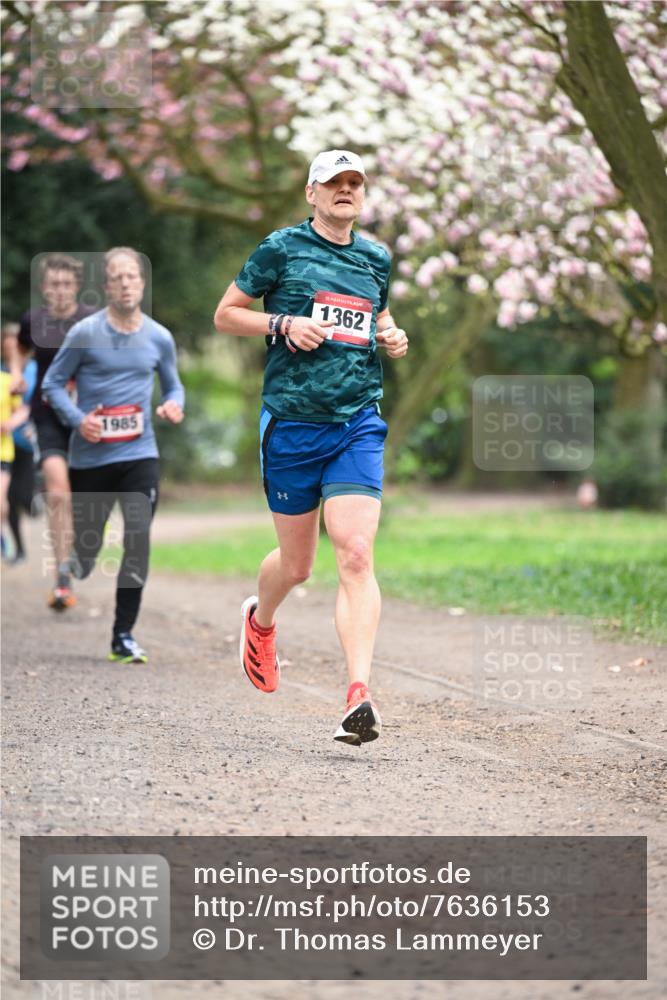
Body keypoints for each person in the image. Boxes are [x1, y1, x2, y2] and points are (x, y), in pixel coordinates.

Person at [214, 149, 409, 746]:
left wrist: (390, 333)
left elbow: (376, 313)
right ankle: (261, 619)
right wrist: (283, 324)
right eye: (333, 183)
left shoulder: (376, 258)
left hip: (357, 421)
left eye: (354, 183)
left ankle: (358, 695)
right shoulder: (281, 249)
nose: (345, 190)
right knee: (297, 566)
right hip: (293, 425)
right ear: (312, 193)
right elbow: (226, 315)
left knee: (356, 554)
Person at [42, 247, 185, 663]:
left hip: (140, 454)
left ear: (141, 282)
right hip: (91, 459)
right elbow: (52, 384)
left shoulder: (159, 337)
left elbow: (173, 385)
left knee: (137, 540)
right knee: (87, 556)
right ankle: (74, 563)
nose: (125, 284)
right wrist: (77, 420)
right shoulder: (85, 333)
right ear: (106, 286)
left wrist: (174, 404)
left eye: (131, 276)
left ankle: (123, 635)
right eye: (117, 277)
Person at [7, 253, 93, 608]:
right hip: (46, 415)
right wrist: (16, 374)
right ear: (44, 287)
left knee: (84, 494)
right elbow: (19, 348)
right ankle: (61, 576)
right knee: (58, 492)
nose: (60, 290)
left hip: (88, 416)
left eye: (66, 284)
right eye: (54, 284)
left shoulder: (91, 320)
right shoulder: (34, 320)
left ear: (76, 287)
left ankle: (81, 548)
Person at [1, 322, 37, 564]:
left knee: (23, 497)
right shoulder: (2, 374)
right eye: (7, 348)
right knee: (10, 499)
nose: (12, 352)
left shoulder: (36, 370)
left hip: (30, 443)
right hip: (7, 444)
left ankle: (37, 501)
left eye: (16, 347)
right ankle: (19, 549)